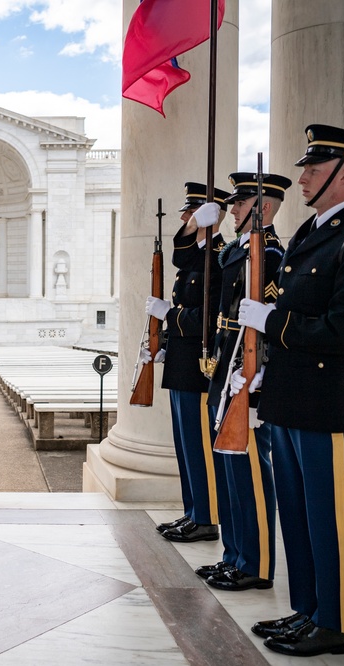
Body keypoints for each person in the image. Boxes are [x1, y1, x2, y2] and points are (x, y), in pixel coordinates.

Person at [237, 125, 344, 657]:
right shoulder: (308, 233)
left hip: (326, 399)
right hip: (288, 395)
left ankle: (337, 621)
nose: (302, 177)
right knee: (299, 513)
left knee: (330, 514)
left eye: (313, 168)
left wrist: (273, 323)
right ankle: (306, 610)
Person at [191, 172, 291, 592]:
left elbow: (266, 318)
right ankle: (235, 555)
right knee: (230, 466)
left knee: (250, 469)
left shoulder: (268, 252)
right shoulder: (240, 249)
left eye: (239, 204)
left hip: (246, 372)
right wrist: (205, 233)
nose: (232, 209)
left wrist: (257, 374)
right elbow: (213, 272)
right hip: (227, 367)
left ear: (262, 208)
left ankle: (256, 563)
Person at [143, 182, 230, 544]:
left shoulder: (221, 257)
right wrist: (164, 343)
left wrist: (170, 315)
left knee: (199, 446)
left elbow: (211, 319)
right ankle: (194, 511)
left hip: (199, 367)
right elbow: (181, 258)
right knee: (184, 445)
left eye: (191, 213)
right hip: (182, 363)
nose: (183, 218)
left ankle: (207, 516)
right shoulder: (199, 257)